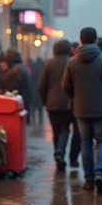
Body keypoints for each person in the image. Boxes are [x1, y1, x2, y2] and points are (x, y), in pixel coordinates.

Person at [63, 27, 102, 193]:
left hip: (81, 109)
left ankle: (88, 179)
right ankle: (100, 173)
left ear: (80, 40)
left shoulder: (72, 62)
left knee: (86, 142)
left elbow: (65, 86)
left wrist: (75, 96)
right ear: (96, 40)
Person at [38, 40, 74, 171]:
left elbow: (41, 85)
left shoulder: (49, 64)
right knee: (65, 128)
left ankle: (58, 154)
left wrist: (45, 101)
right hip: (68, 103)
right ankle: (60, 152)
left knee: (55, 130)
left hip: (51, 103)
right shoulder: (72, 62)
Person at [0, 49, 31, 118]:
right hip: (23, 102)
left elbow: (13, 88)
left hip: (16, 105)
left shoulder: (15, 71)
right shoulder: (21, 68)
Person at [29, 57, 44, 125]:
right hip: (40, 90)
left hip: (33, 89)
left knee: (33, 107)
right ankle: (40, 120)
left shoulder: (32, 69)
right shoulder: (42, 69)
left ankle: (33, 119)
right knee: (40, 107)